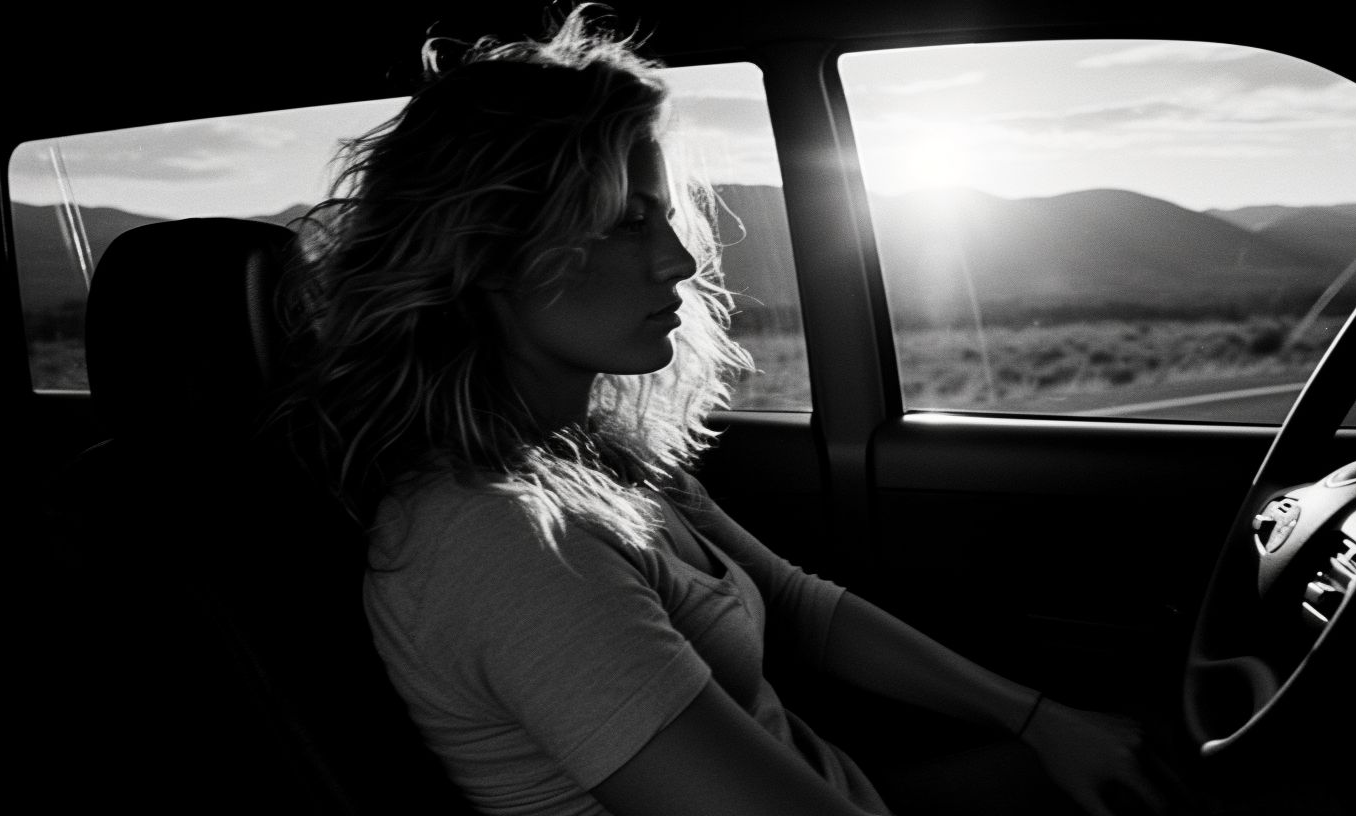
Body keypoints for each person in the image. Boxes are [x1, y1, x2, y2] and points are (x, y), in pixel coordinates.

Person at [275, 6, 1176, 815]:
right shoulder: (498, 542)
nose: (678, 261)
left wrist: (1043, 721)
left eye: (665, 218)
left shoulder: (587, 452)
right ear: (493, 253)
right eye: (628, 222)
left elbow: (798, 607)